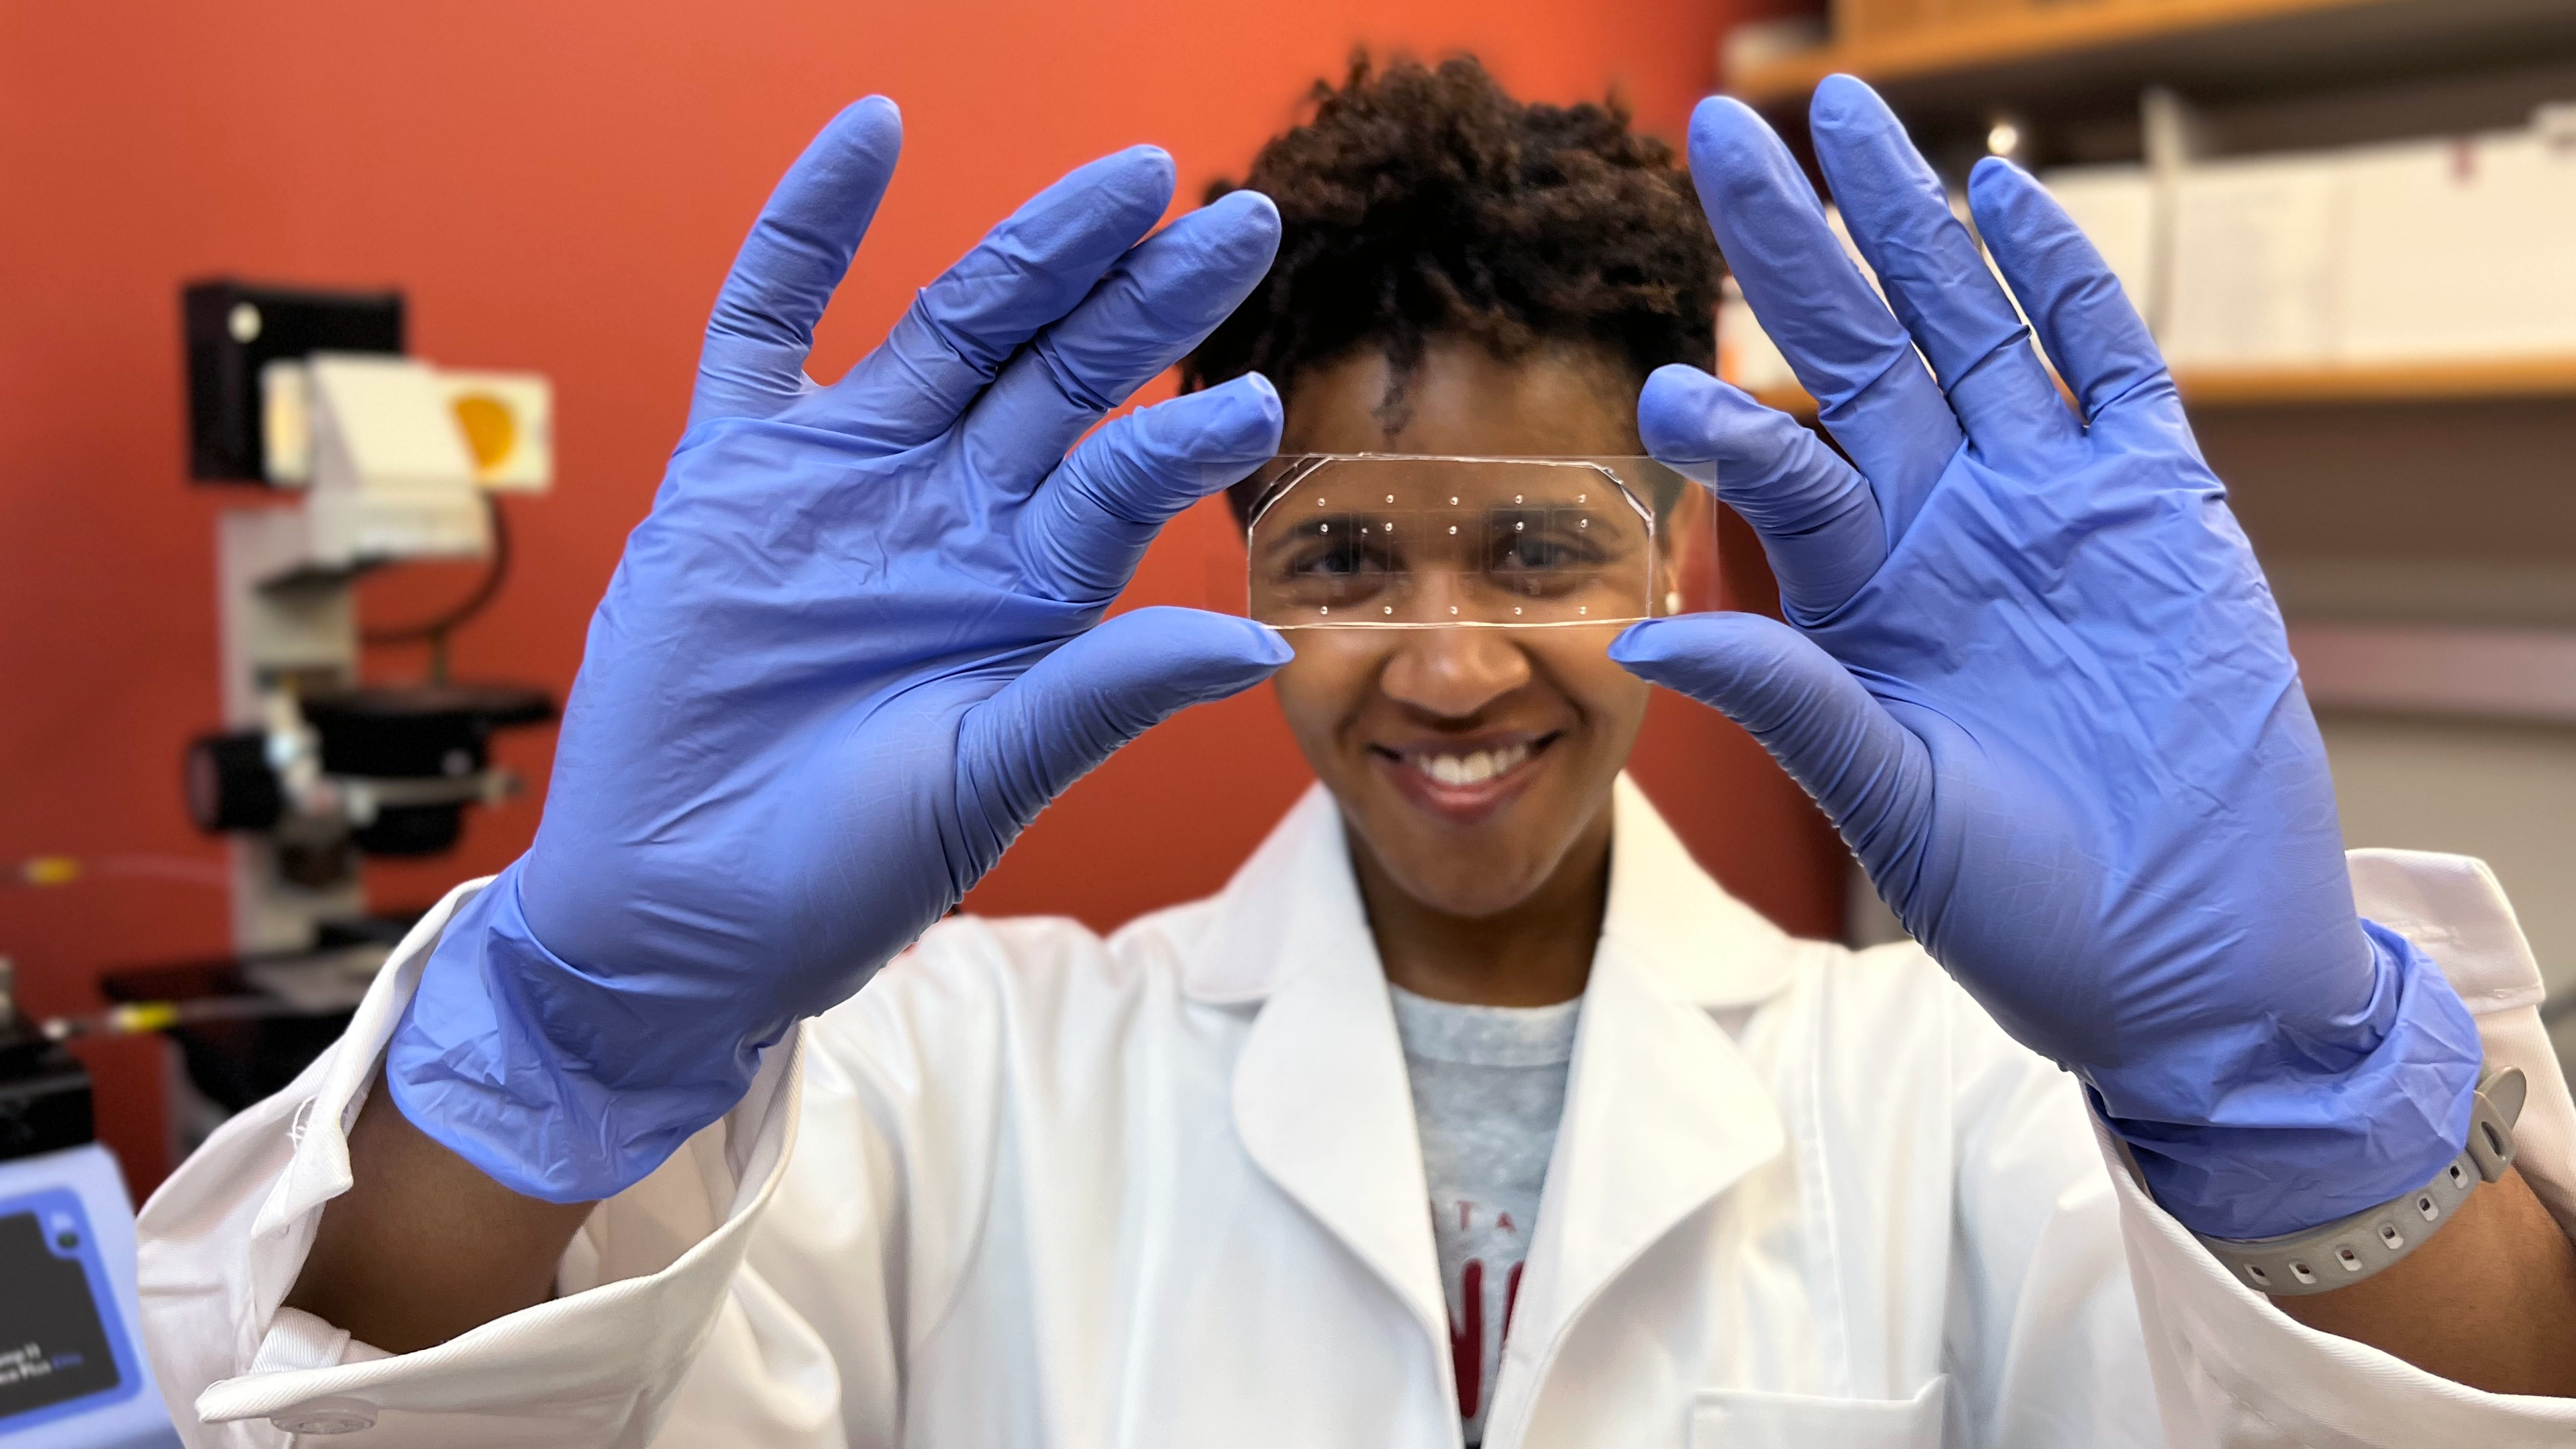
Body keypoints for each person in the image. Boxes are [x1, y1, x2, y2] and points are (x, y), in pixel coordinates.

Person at [137, 57, 2576, 1447]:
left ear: (1690, 535)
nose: (1442, 662)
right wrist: (567, 1034)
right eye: (1338, 562)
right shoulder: (947, 1077)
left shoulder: (1959, 1088)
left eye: (1539, 548)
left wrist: (2276, 1083)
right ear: (1230, 555)